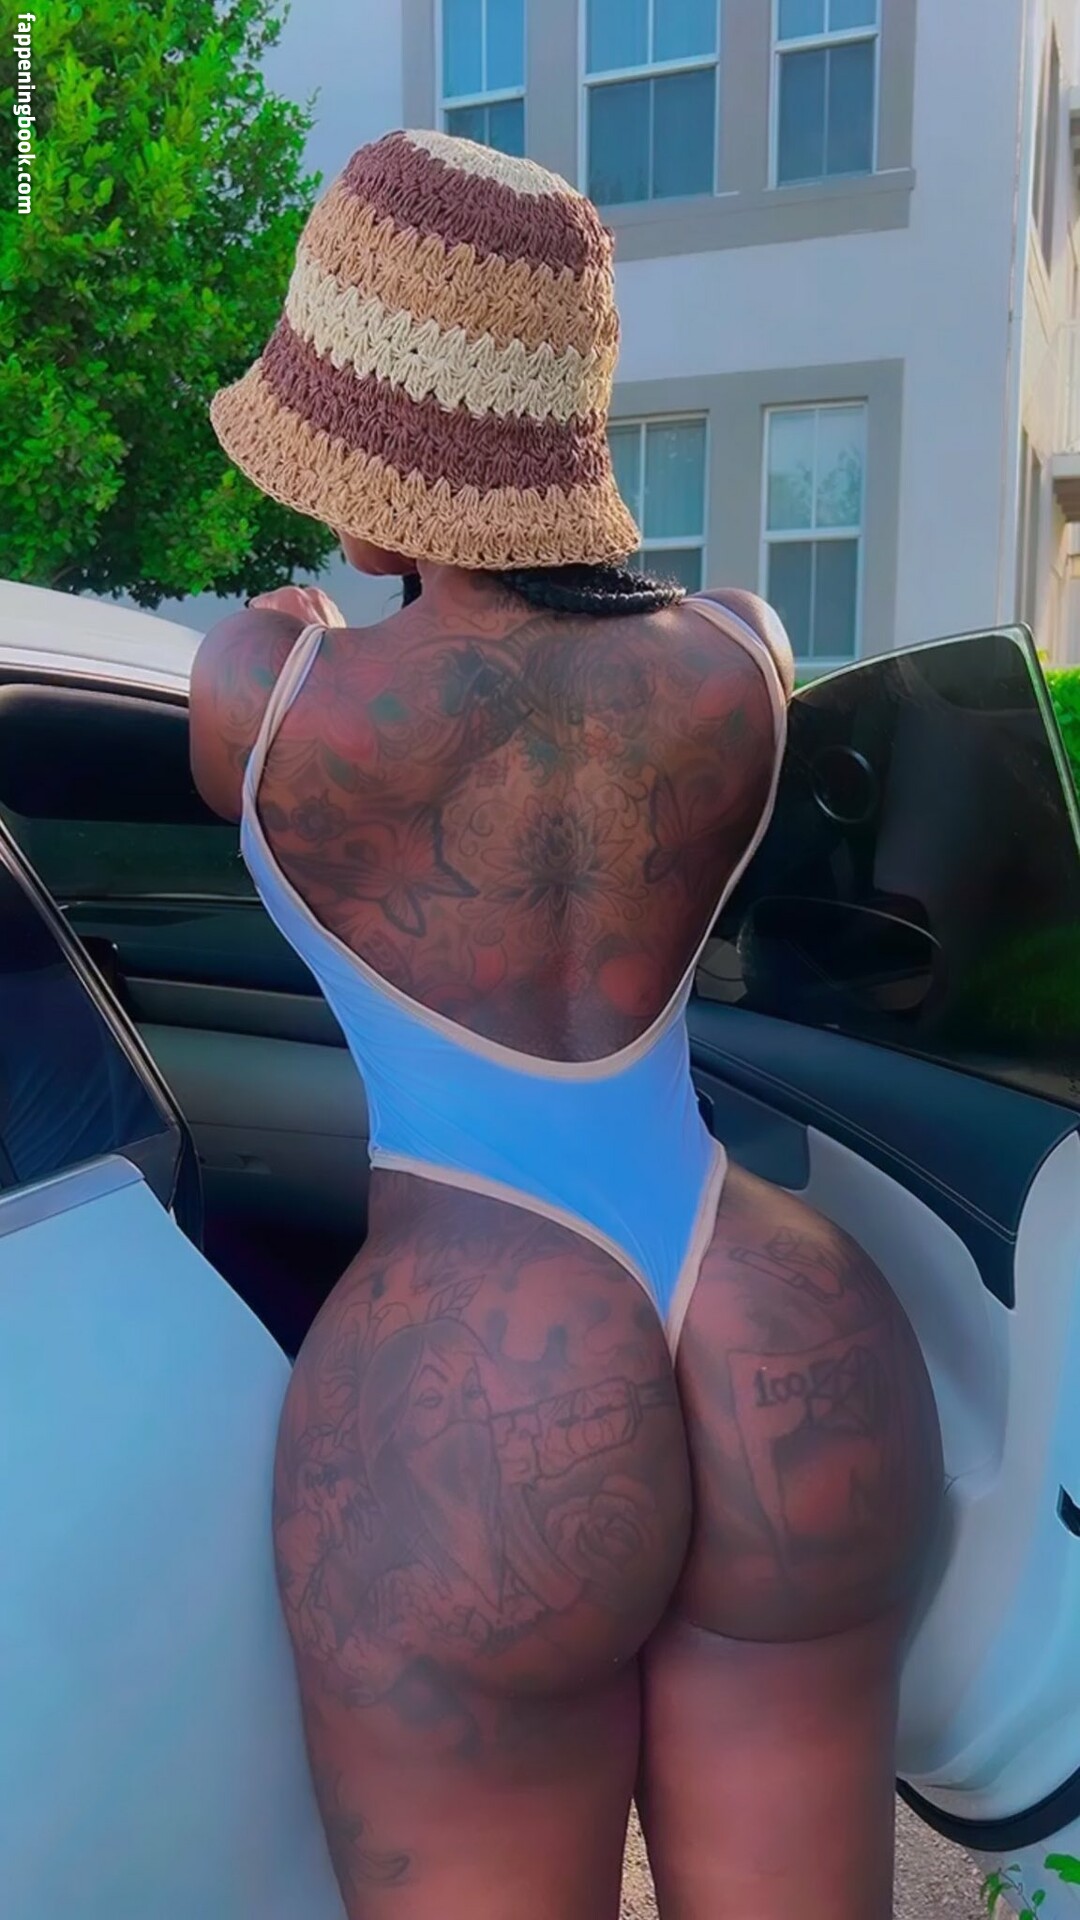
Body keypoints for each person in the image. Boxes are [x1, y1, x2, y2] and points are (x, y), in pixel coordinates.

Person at [191, 129, 942, 1920]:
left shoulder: (272, 697)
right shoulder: (741, 660)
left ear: (370, 465)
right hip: (775, 1316)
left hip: (480, 1378)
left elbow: (293, 626)